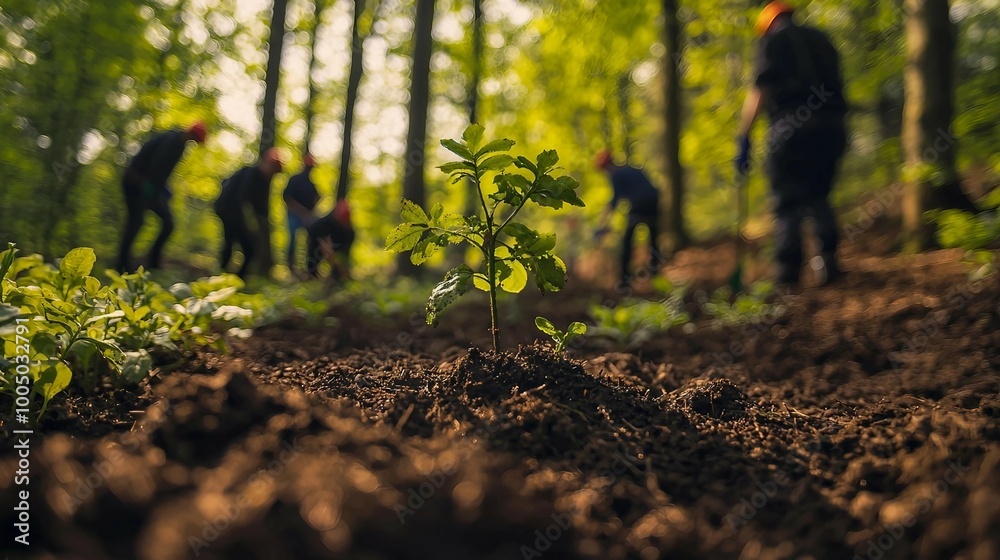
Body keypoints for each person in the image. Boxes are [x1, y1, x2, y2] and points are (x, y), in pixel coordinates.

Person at [736, 1, 848, 287]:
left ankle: (788, 274)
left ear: (768, 24)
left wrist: (744, 135)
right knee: (820, 194)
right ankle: (828, 262)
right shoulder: (822, 39)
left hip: (790, 130)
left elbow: (761, 89)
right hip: (832, 128)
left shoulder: (772, 41)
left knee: (787, 201)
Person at [116, 122, 207, 271]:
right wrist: (153, 187)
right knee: (135, 223)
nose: (194, 143)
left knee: (168, 223)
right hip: (134, 184)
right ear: (191, 134)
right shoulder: (171, 140)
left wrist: (164, 189)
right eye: (195, 139)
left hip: (151, 188)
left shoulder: (180, 145)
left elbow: (162, 172)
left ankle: (153, 263)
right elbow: (155, 166)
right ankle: (122, 266)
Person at [594, 150, 662, 287]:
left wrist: (603, 223)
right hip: (654, 201)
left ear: (606, 167)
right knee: (653, 235)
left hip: (639, 205)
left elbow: (616, 200)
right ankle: (655, 271)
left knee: (627, 241)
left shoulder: (615, 175)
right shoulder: (631, 168)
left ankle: (625, 280)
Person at [214, 149, 284, 278]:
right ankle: (222, 275)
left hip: (235, 213)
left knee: (248, 248)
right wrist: (249, 223)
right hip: (227, 210)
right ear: (267, 163)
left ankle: (236, 278)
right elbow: (242, 198)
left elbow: (261, 207)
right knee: (232, 243)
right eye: (273, 169)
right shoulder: (250, 173)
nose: (273, 173)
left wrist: (264, 222)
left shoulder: (264, 181)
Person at [283, 153, 320, 274]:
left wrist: (310, 211)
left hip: (307, 217)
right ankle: (291, 267)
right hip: (293, 215)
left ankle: (310, 267)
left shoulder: (311, 184)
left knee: (312, 238)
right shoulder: (295, 180)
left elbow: (317, 197)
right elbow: (287, 197)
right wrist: (301, 211)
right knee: (293, 239)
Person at [306, 199, 355, 282]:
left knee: (343, 259)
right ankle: (311, 276)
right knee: (314, 258)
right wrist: (337, 264)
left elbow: (345, 252)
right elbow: (326, 250)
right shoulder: (325, 224)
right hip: (317, 241)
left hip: (338, 243)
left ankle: (339, 278)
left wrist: (344, 269)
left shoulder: (350, 232)